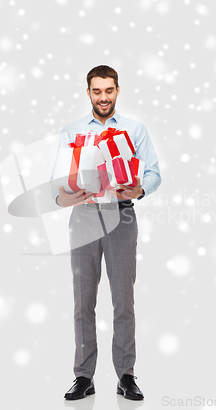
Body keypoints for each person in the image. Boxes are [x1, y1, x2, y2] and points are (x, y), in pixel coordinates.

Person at [50, 65, 162, 401]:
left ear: (117, 91)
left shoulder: (134, 129)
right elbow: (58, 181)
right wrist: (63, 197)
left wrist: (138, 191)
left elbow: (154, 172)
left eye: (109, 90)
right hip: (83, 216)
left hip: (121, 217)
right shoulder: (72, 131)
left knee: (123, 301)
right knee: (83, 301)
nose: (103, 97)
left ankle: (126, 375)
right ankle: (84, 376)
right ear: (88, 93)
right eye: (97, 91)